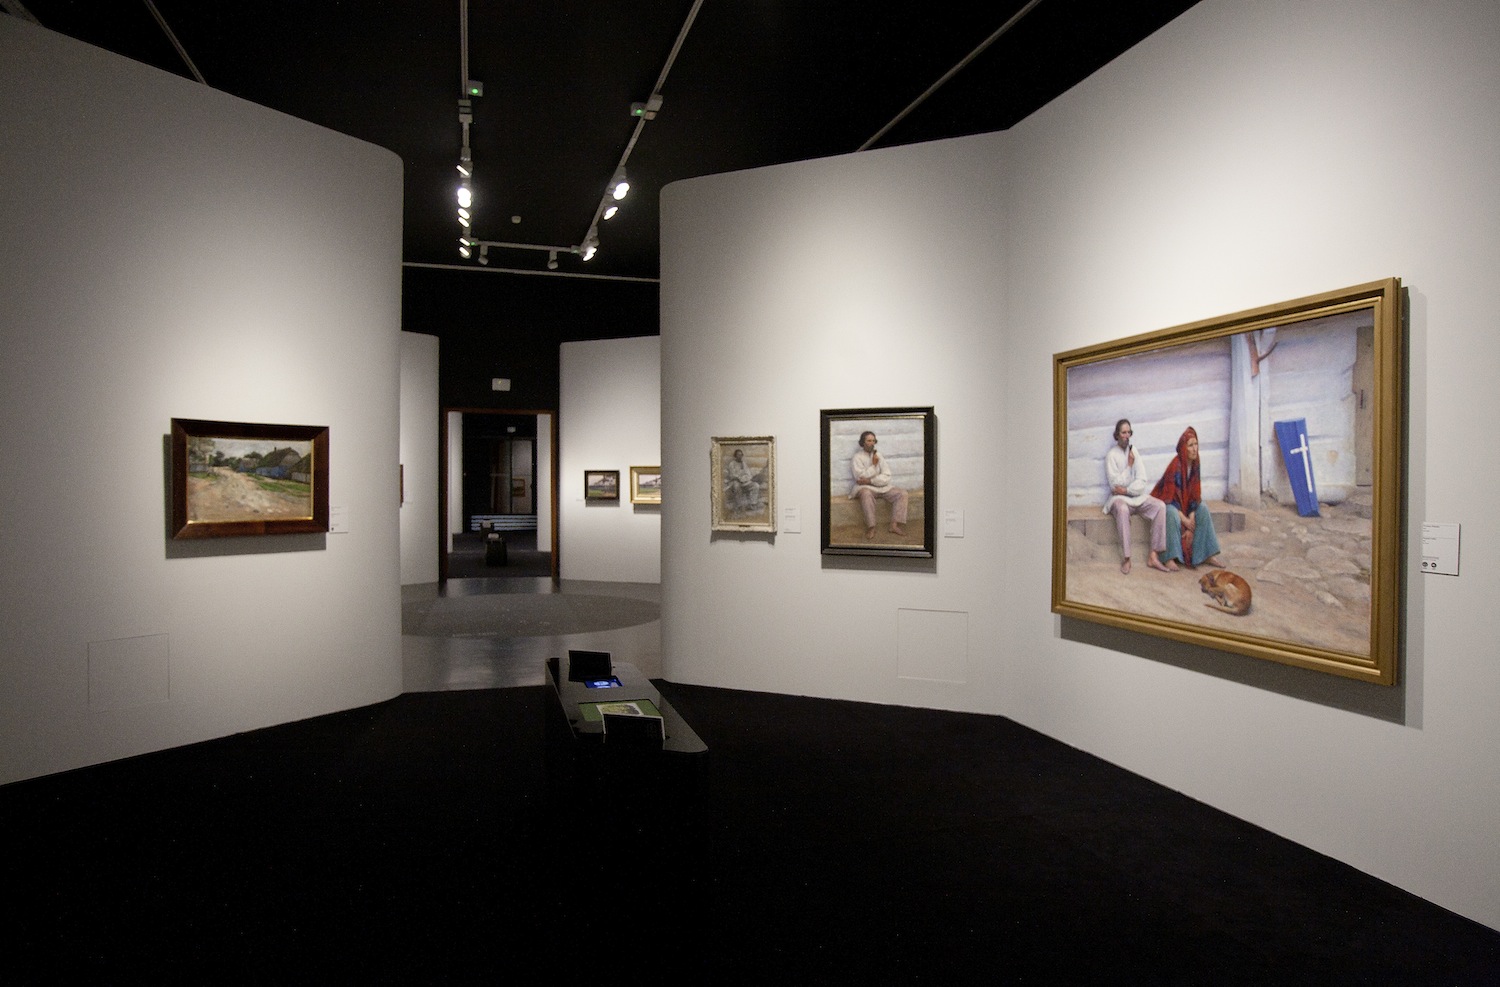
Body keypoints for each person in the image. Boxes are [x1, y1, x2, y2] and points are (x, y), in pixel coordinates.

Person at [1102, 419, 1173, 575]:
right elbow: (1114, 485)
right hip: (1118, 500)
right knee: (1122, 509)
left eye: (1129, 432)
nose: (1126, 436)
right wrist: (1129, 466)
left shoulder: (1134, 451)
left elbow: (1141, 481)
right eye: (1123, 432)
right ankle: (1127, 558)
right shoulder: (1111, 455)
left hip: (1135, 496)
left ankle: (1153, 556)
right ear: (1117, 435)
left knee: (1160, 506)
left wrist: (1127, 490)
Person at [1151, 426, 1225, 569]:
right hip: (1169, 505)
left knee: (1203, 508)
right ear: (1184, 448)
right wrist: (1185, 520)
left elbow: (1194, 495)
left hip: (1185, 506)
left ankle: (1206, 554)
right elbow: (1168, 499)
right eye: (1190, 445)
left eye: (1196, 444)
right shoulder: (1175, 465)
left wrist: (1191, 520)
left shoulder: (1196, 463)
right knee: (1171, 512)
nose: (1194, 449)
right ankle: (1169, 557)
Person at [848, 430, 908, 539]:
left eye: (873, 441)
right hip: (865, 487)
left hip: (880, 486)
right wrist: (874, 466)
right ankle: (871, 527)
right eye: (868, 441)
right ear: (863, 442)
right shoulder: (857, 457)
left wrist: (871, 481)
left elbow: (887, 475)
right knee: (866, 494)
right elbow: (860, 478)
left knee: (902, 493)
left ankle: (894, 525)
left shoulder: (878, 455)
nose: (871, 443)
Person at [723, 448, 762, 515]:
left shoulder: (743, 463)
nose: (740, 456)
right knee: (736, 486)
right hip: (735, 481)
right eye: (738, 455)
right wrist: (740, 478)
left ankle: (752, 504)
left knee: (756, 485)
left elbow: (748, 473)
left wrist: (746, 478)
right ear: (735, 456)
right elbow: (732, 475)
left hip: (745, 482)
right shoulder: (732, 464)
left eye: (741, 455)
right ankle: (739, 506)